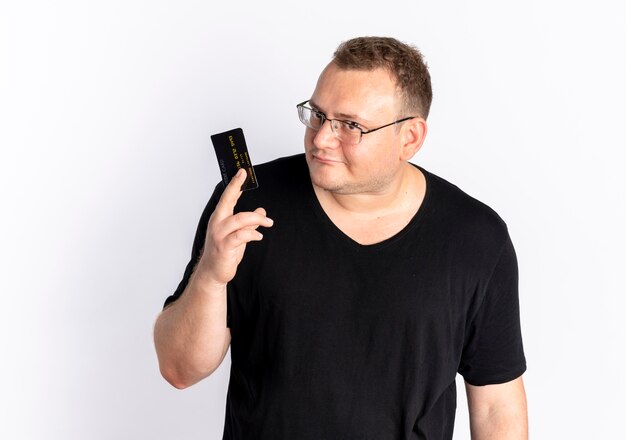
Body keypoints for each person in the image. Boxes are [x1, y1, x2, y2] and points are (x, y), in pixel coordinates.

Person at [154, 36, 528, 439]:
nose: (320, 139)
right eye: (317, 114)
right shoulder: (247, 204)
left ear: (410, 138)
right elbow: (179, 370)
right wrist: (211, 275)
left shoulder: (475, 238)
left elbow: (495, 404)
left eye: (350, 125)